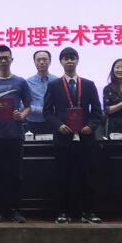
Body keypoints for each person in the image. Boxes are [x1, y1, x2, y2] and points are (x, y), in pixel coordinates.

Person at [44, 47, 104, 223]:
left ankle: (89, 212)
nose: (69, 61)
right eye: (66, 58)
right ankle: (62, 212)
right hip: (63, 137)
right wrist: (59, 125)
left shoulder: (89, 84)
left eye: (72, 58)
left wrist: (90, 126)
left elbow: (98, 112)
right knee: (62, 176)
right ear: (61, 62)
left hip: (85, 137)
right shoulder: (54, 85)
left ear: (77, 60)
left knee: (87, 176)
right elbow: (47, 112)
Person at [0, 46, 33, 223]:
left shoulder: (20, 82)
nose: (3, 60)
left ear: (11, 60)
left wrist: (22, 115)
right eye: (0, 57)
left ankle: (15, 210)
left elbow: (28, 107)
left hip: (15, 135)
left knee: (16, 175)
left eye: (6, 57)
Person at [25, 50, 53, 135]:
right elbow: (23, 105)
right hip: (33, 123)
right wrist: (41, 110)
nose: (41, 62)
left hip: (53, 122)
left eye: (44, 59)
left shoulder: (57, 81)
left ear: (50, 61)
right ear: (34, 62)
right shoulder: (27, 83)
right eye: (38, 60)